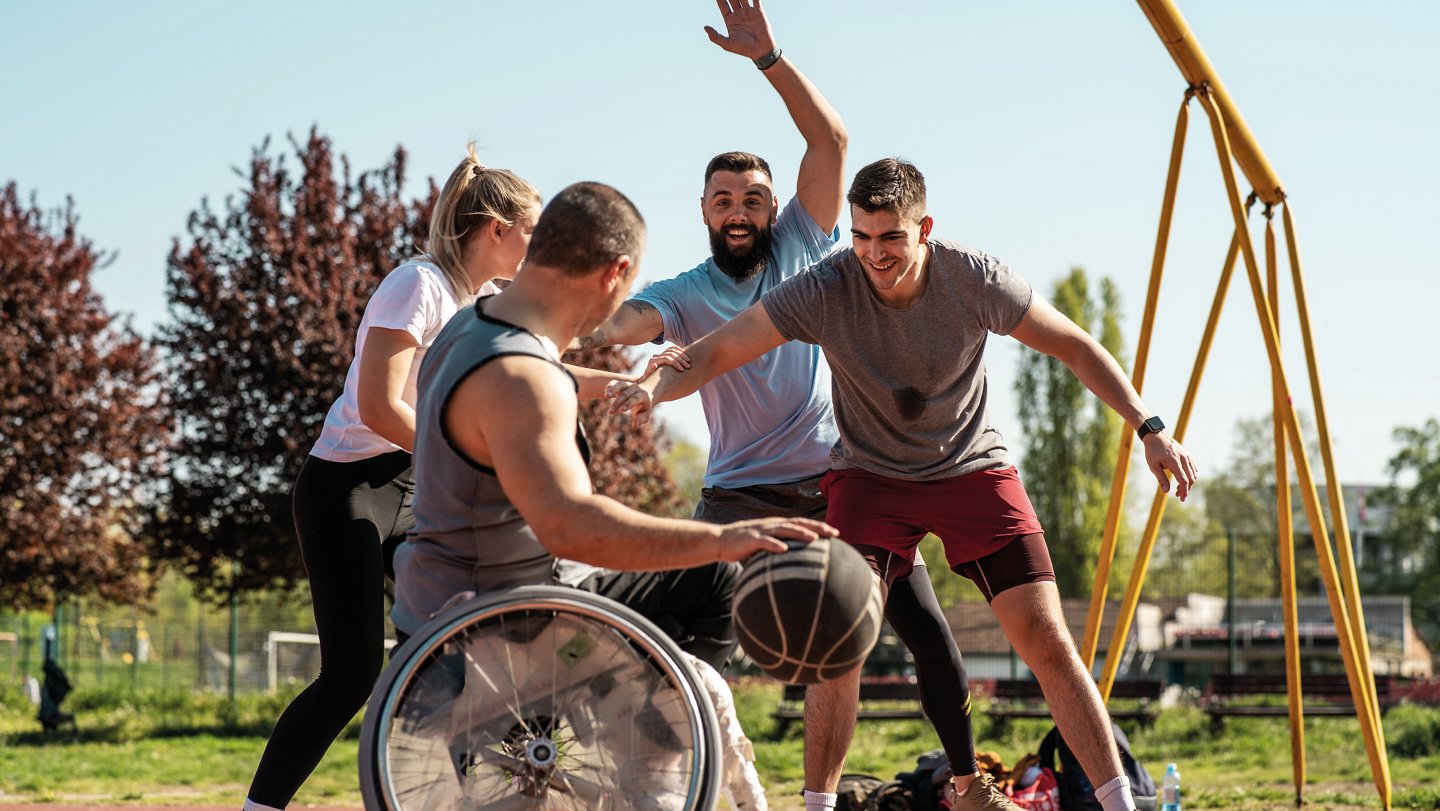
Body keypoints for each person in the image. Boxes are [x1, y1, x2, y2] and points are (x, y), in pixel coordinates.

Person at [609, 157, 1200, 811]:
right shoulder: (828, 285)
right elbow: (715, 351)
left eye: (890, 238)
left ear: (925, 227)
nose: (873, 254)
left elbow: (1075, 345)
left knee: (1047, 638)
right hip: (870, 477)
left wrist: (1149, 427)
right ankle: (817, 805)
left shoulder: (973, 276)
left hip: (972, 467)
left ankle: (1121, 803)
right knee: (840, 642)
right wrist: (648, 388)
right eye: (861, 237)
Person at [572, 1, 1005, 808]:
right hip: (734, 497)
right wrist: (548, 336)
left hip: (839, 487)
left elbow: (831, 143)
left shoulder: (809, 251)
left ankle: (970, 783)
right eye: (724, 198)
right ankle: (667, 783)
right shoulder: (682, 291)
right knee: (672, 649)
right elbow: (617, 325)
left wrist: (770, 58)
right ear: (704, 210)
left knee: (925, 634)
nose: (740, 210)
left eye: (753, 198)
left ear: (777, 210)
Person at [391, 180, 838, 809]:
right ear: (616, 273)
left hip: (443, 597)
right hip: (503, 624)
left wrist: (622, 385)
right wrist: (726, 535)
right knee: (711, 612)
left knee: (706, 588)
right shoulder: (523, 380)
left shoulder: (472, 328)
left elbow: (550, 390)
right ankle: (651, 765)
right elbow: (572, 527)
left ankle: (647, 729)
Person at [242, 148, 543, 811]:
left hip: (414, 489)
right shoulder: (419, 284)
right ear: (496, 227)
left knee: (460, 655)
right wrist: (468, 456)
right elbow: (380, 407)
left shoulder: (487, 301)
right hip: (348, 490)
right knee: (351, 674)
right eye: (531, 228)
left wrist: (643, 366)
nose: (536, 243)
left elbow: (559, 340)